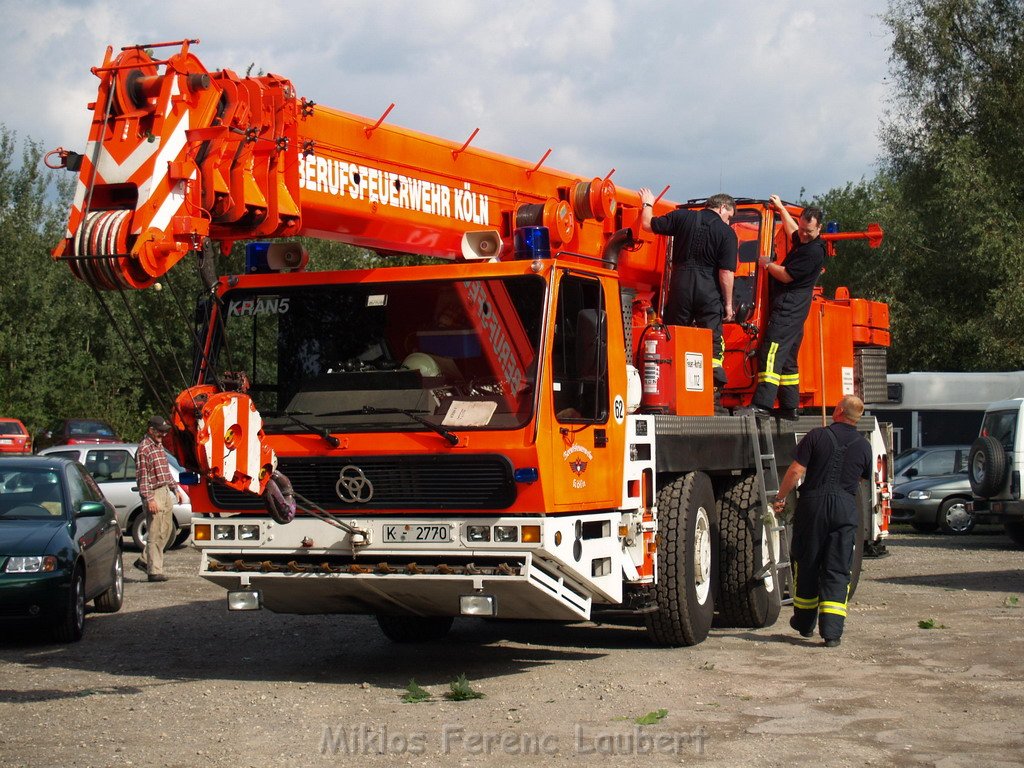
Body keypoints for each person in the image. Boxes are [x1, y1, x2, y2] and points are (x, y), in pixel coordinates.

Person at [772, 395, 872, 647]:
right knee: (838, 568)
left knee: (807, 561)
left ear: (838, 411)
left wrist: (781, 497)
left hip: (813, 506)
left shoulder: (816, 436)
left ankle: (805, 624)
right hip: (845, 508)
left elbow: (796, 471)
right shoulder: (864, 445)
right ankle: (832, 633)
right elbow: (861, 479)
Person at [638, 189, 737, 388]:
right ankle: (711, 391)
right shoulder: (727, 233)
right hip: (708, 290)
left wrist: (647, 204)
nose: (729, 222)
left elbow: (647, 224)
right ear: (722, 207)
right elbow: (726, 273)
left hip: (680, 286)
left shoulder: (681, 217)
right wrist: (728, 304)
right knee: (712, 340)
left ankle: (671, 383)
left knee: (674, 333)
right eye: (729, 217)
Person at [751, 195, 826, 419]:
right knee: (788, 361)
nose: (802, 234)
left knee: (771, 353)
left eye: (808, 231)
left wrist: (767, 264)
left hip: (788, 308)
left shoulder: (813, 252)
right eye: (802, 228)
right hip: (795, 311)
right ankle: (789, 407)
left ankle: (762, 405)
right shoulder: (805, 240)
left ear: (819, 229)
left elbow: (785, 276)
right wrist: (781, 208)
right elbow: (791, 229)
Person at [133, 415, 187, 582]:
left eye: (164, 432)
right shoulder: (144, 449)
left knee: (167, 530)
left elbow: (165, 470)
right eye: (160, 432)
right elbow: (143, 477)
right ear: (151, 430)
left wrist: (174, 488)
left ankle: (144, 560)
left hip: (165, 491)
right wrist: (149, 499)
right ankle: (154, 571)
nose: (163, 435)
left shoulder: (158, 446)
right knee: (155, 532)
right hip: (154, 493)